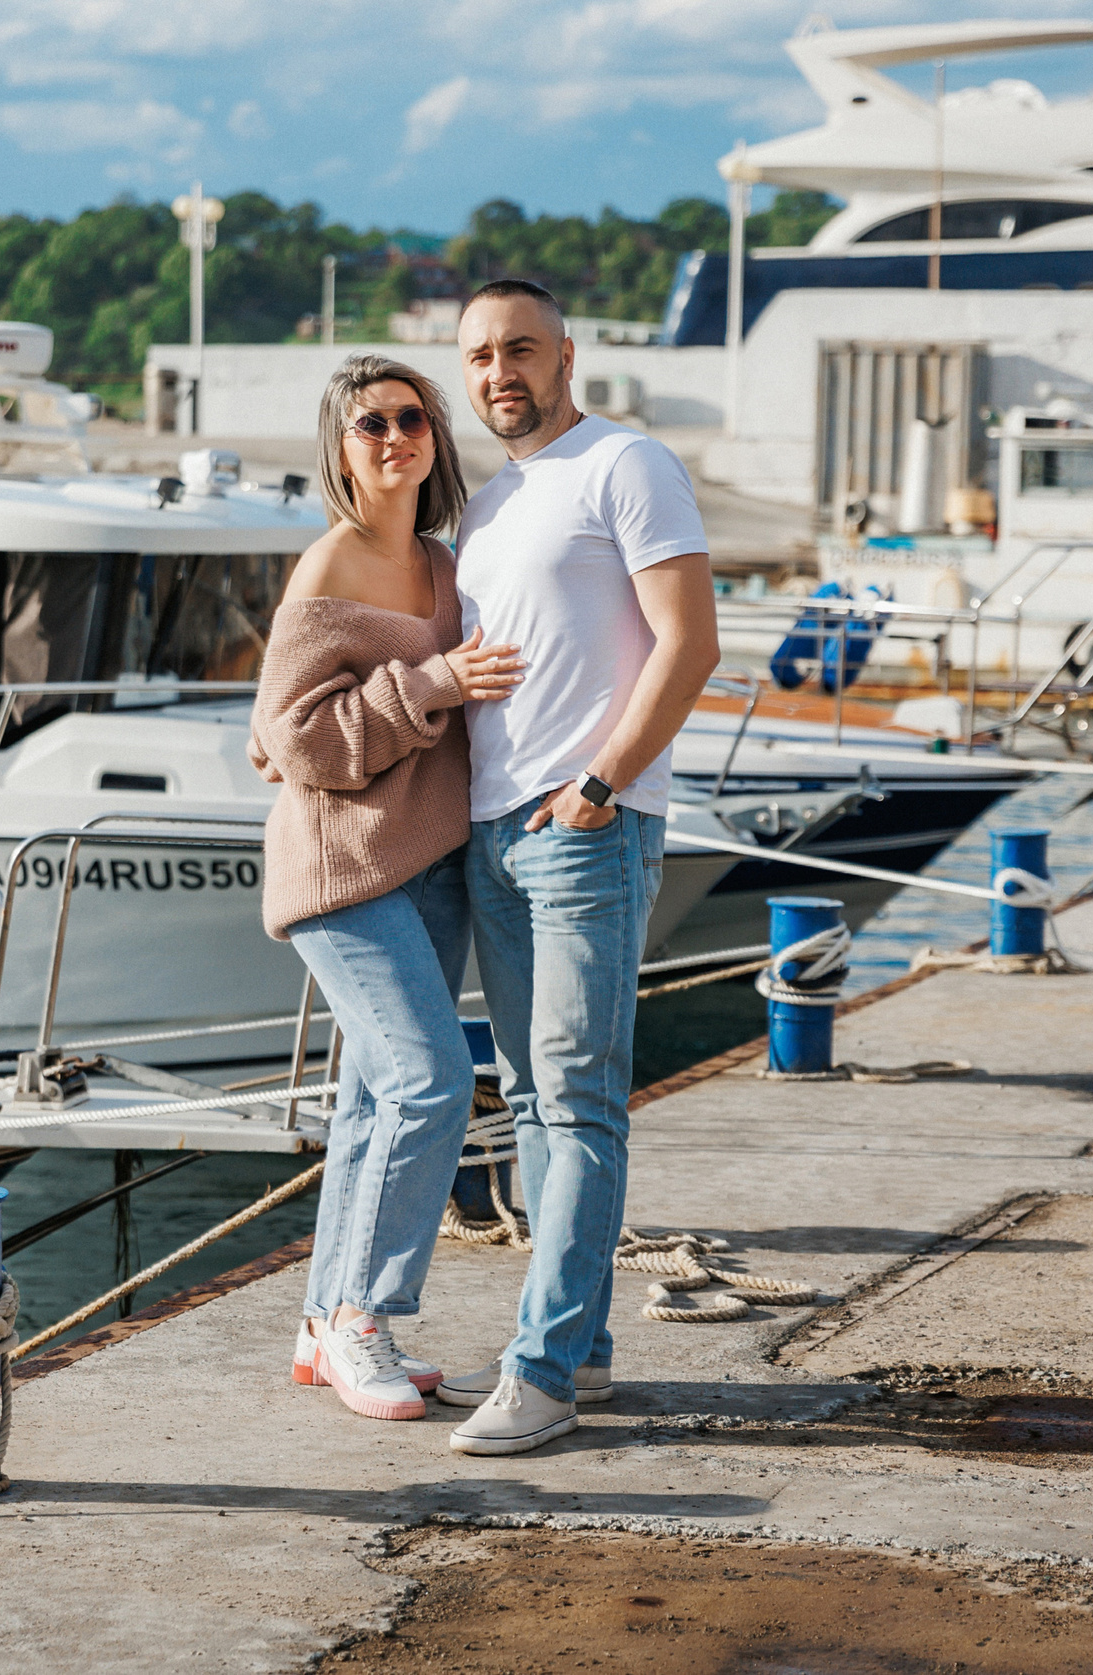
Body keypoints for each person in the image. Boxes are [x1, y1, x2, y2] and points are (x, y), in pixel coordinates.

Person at [434, 279, 721, 1456]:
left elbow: (691, 643)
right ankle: (583, 1350)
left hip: (585, 831)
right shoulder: (491, 506)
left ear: (566, 354)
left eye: (520, 349)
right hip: (494, 831)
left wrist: (601, 786)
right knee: (538, 1104)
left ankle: (540, 1370)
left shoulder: (627, 465)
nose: (500, 371)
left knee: (582, 1098)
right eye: (480, 356)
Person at [249, 353, 525, 1422]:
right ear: (341, 445)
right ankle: (364, 1312)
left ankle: (326, 1327)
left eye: (414, 417)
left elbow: (278, 727)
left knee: (372, 1100)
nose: (396, 436)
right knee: (431, 1082)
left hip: (433, 861)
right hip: (343, 873)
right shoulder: (330, 566)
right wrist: (434, 682)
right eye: (372, 423)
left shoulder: (446, 565)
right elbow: (294, 741)